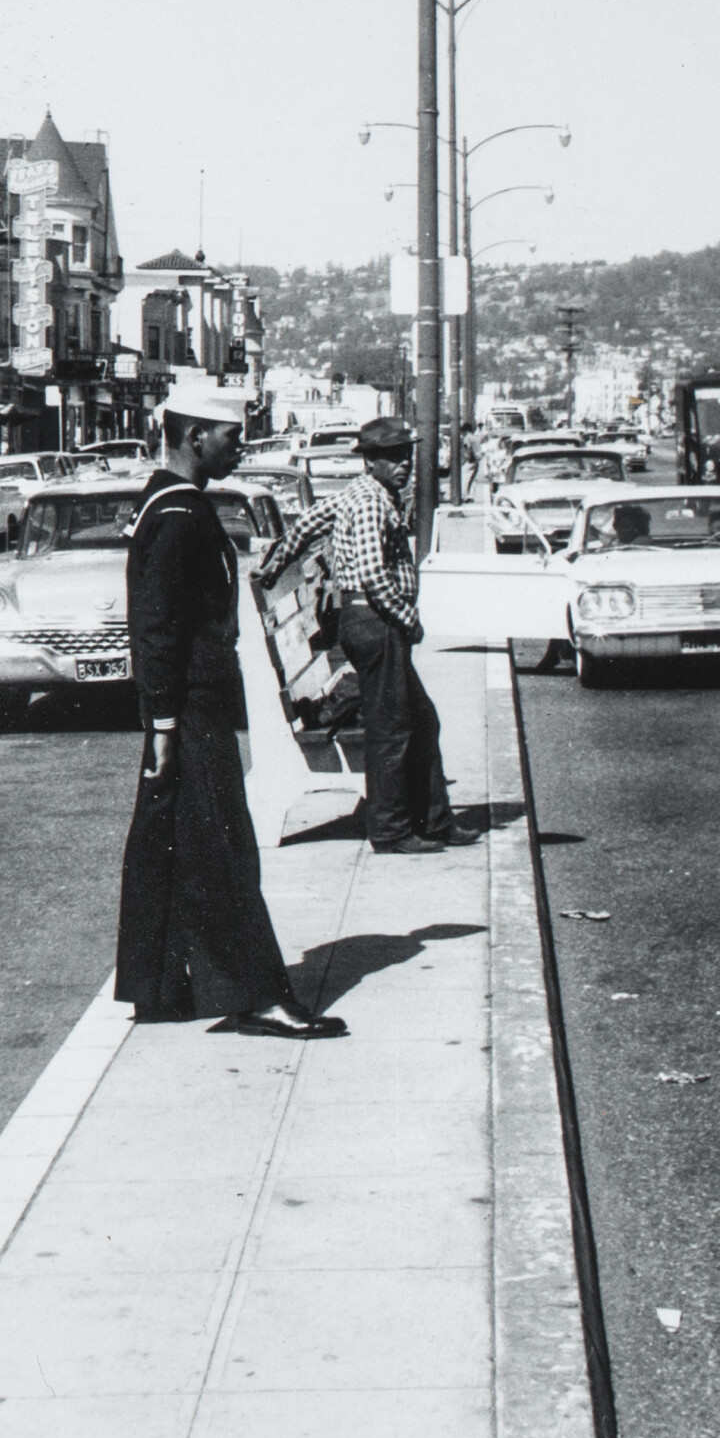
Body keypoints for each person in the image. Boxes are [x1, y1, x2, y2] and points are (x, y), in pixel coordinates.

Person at [115, 386, 345, 1040]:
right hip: (189, 712)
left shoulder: (170, 502)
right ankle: (255, 995)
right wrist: (162, 725)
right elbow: (157, 630)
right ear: (195, 438)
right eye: (230, 438)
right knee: (224, 852)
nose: (238, 448)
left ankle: (159, 989)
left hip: (187, 710)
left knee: (171, 845)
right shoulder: (180, 515)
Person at [253, 416, 478, 857]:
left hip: (365, 623)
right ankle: (392, 831)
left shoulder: (356, 494)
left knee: (423, 718)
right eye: (391, 458)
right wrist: (407, 619)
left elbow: (303, 527)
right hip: (376, 622)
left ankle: (435, 820)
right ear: (370, 462)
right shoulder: (373, 502)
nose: (403, 465)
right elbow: (375, 577)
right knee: (393, 728)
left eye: (406, 456)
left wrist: (275, 564)